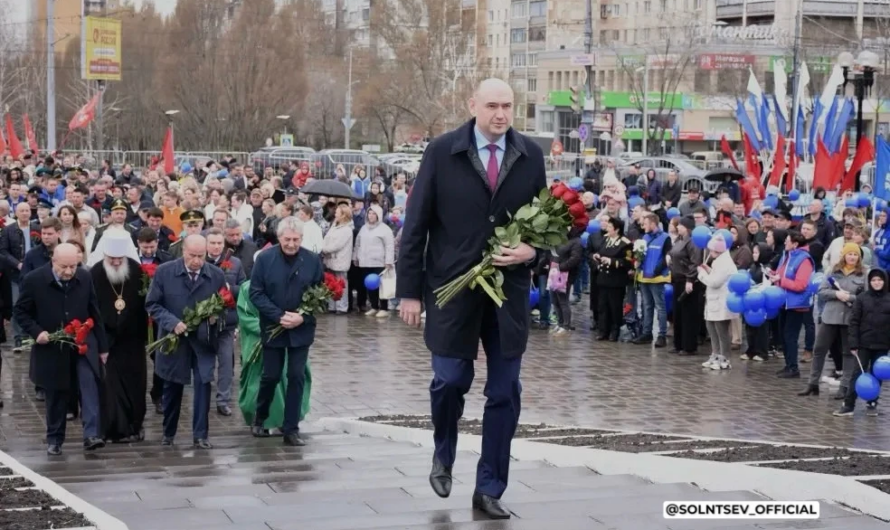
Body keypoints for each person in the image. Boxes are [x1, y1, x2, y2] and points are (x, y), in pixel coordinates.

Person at [396, 78, 545, 520]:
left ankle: (489, 487)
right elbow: (416, 224)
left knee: (505, 392)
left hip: (508, 293)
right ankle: (444, 453)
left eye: (508, 106)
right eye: (493, 106)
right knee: (449, 380)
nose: (501, 114)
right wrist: (409, 291)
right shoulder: (443, 152)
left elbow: (548, 221)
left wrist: (533, 251)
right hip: (452, 289)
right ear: (473, 105)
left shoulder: (530, 155)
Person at [14, 243, 108, 455]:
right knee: (56, 394)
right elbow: (20, 312)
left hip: (83, 343)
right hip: (52, 346)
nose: (68, 272)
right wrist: (37, 332)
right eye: (64, 267)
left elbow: (94, 310)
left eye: (73, 266)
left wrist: (102, 346)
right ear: (53, 262)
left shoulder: (84, 277)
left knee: (89, 385)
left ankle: (92, 435)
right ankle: (55, 438)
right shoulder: (34, 280)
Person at [145, 234, 227, 449]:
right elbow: (152, 304)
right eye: (192, 256)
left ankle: (201, 435)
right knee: (172, 386)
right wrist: (172, 322)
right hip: (175, 340)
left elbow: (227, 307)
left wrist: (215, 317)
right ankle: (168, 432)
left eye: (201, 256)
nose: (197, 261)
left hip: (203, 342)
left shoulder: (216, 275)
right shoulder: (165, 272)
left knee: (203, 385)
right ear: (183, 251)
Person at [248, 217, 323, 446]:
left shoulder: (312, 260)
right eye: (287, 239)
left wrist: (303, 315)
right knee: (271, 375)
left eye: (296, 239)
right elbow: (256, 293)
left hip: (301, 327)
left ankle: (291, 429)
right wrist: (279, 315)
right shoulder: (265, 259)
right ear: (279, 238)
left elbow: (321, 293)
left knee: (296, 376)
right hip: (274, 326)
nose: (291, 244)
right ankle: (260, 417)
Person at [91, 232, 149, 442]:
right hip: (107, 340)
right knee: (110, 386)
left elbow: (143, 303)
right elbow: (93, 305)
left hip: (132, 339)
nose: (116, 263)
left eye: (119, 259)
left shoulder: (136, 270)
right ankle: (114, 428)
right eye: (111, 259)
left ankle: (135, 425)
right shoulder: (96, 273)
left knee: (135, 383)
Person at [237, 278, 312, 431]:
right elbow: (245, 316)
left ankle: (288, 420)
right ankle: (260, 420)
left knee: (293, 376)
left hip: (288, 336)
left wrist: (293, 321)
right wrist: (267, 330)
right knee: (261, 379)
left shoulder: (293, 283)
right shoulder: (248, 287)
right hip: (258, 339)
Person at [799, 243, 865, 397]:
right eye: (850, 254)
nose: (852, 257)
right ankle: (812, 384)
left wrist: (851, 297)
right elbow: (821, 291)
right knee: (819, 349)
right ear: (844, 255)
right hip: (830, 317)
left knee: (848, 353)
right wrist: (837, 295)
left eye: (855, 255)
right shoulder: (832, 271)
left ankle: (845, 386)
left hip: (850, 319)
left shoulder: (864, 274)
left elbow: (865, 297)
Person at [835, 269, 890, 417]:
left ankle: (872, 403)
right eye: (873, 280)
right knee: (857, 374)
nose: (877, 283)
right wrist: (853, 343)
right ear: (869, 282)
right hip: (863, 344)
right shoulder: (862, 298)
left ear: (884, 281)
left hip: (882, 344)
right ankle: (849, 404)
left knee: (877, 374)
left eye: (879, 280)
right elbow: (854, 322)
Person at [205, 227, 245, 416]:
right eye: (212, 243)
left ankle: (223, 399)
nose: (216, 247)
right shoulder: (199, 261)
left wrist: (231, 289)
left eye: (219, 243)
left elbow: (245, 288)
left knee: (226, 361)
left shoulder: (234, 263)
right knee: (204, 362)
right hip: (204, 322)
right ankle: (203, 396)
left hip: (227, 321)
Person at [768, 231, 815, 379]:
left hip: (796, 304)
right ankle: (788, 365)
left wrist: (780, 280)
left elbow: (801, 285)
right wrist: (773, 273)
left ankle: (793, 367)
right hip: (784, 302)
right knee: (784, 335)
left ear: (795, 244)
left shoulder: (804, 260)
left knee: (790, 336)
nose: (785, 243)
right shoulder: (787, 255)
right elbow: (782, 273)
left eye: (787, 241)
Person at [698, 233, 738, 370]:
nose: (710, 252)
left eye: (712, 250)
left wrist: (702, 274)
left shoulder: (725, 263)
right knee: (711, 327)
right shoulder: (718, 261)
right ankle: (715, 354)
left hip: (722, 302)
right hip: (714, 301)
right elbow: (716, 275)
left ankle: (724, 358)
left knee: (721, 331)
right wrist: (708, 270)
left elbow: (715, 282)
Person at [634, 212, 672, 347]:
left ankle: (661, 335)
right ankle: (646, 333)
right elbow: (642, 254)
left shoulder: (665, 238)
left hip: (657, 277)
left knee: (660, 307)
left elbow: (667, 257)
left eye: (645, 223)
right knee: (646, 306)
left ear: (652, 223)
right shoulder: (645, 237)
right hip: (644, 276)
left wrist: (656, 271)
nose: (643, 226)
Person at [593, 216, 632, 341]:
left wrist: (611, 261)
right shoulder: (605, 240)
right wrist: (597, 256)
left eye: (610, 227)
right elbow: (601, 251)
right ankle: (603, 330)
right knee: (602, 306)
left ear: (617, 229)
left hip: (616, 280)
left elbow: (628, 262)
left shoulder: (625, 243)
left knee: (615, 307)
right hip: (603, 278)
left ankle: (615, 331)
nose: (607, 228)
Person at [668, 216, 703, 355]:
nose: (678, 227)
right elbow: (673, 252)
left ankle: (688, 346)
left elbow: (695, 262)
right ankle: (678, 344)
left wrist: (690, 279)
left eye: (681, 226)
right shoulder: (679, 240)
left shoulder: (692, 242)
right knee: (678, 313)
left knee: (688, 314)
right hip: (677, 279)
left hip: (687, 281)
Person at [354, 204, 395, 317]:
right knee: (369, 285)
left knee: (381, 285)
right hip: (365, 262)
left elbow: (389, 246)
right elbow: (357, 244)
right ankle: (374, 306)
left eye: (373, 214)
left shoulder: (385, 229)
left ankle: (384, 308)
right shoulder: (363, 228)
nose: (371, 216)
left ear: (378, 215)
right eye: (369, 213)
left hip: (379, 262)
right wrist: (356, 257)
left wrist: (388, 261)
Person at [322, 203, 354, 315]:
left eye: (337, 212)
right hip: (330, 259)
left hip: (340, 260)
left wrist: (325, 249)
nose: (335, 213)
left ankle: (342, 306)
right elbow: (326, 238)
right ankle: (332, 305)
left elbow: (338, 244)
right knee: (331, 283)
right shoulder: (334, 225)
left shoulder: (347, 229)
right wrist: (324, 247)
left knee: (341, 283)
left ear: (343, 215)